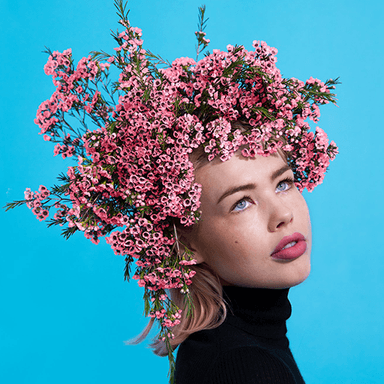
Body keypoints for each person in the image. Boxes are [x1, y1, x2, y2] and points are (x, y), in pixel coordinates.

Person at [6, 2, 338, 383]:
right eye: (241, 202)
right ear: (185, 243)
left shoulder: (234, 348)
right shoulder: (245, 366)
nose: (282, 213)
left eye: (283, 183)